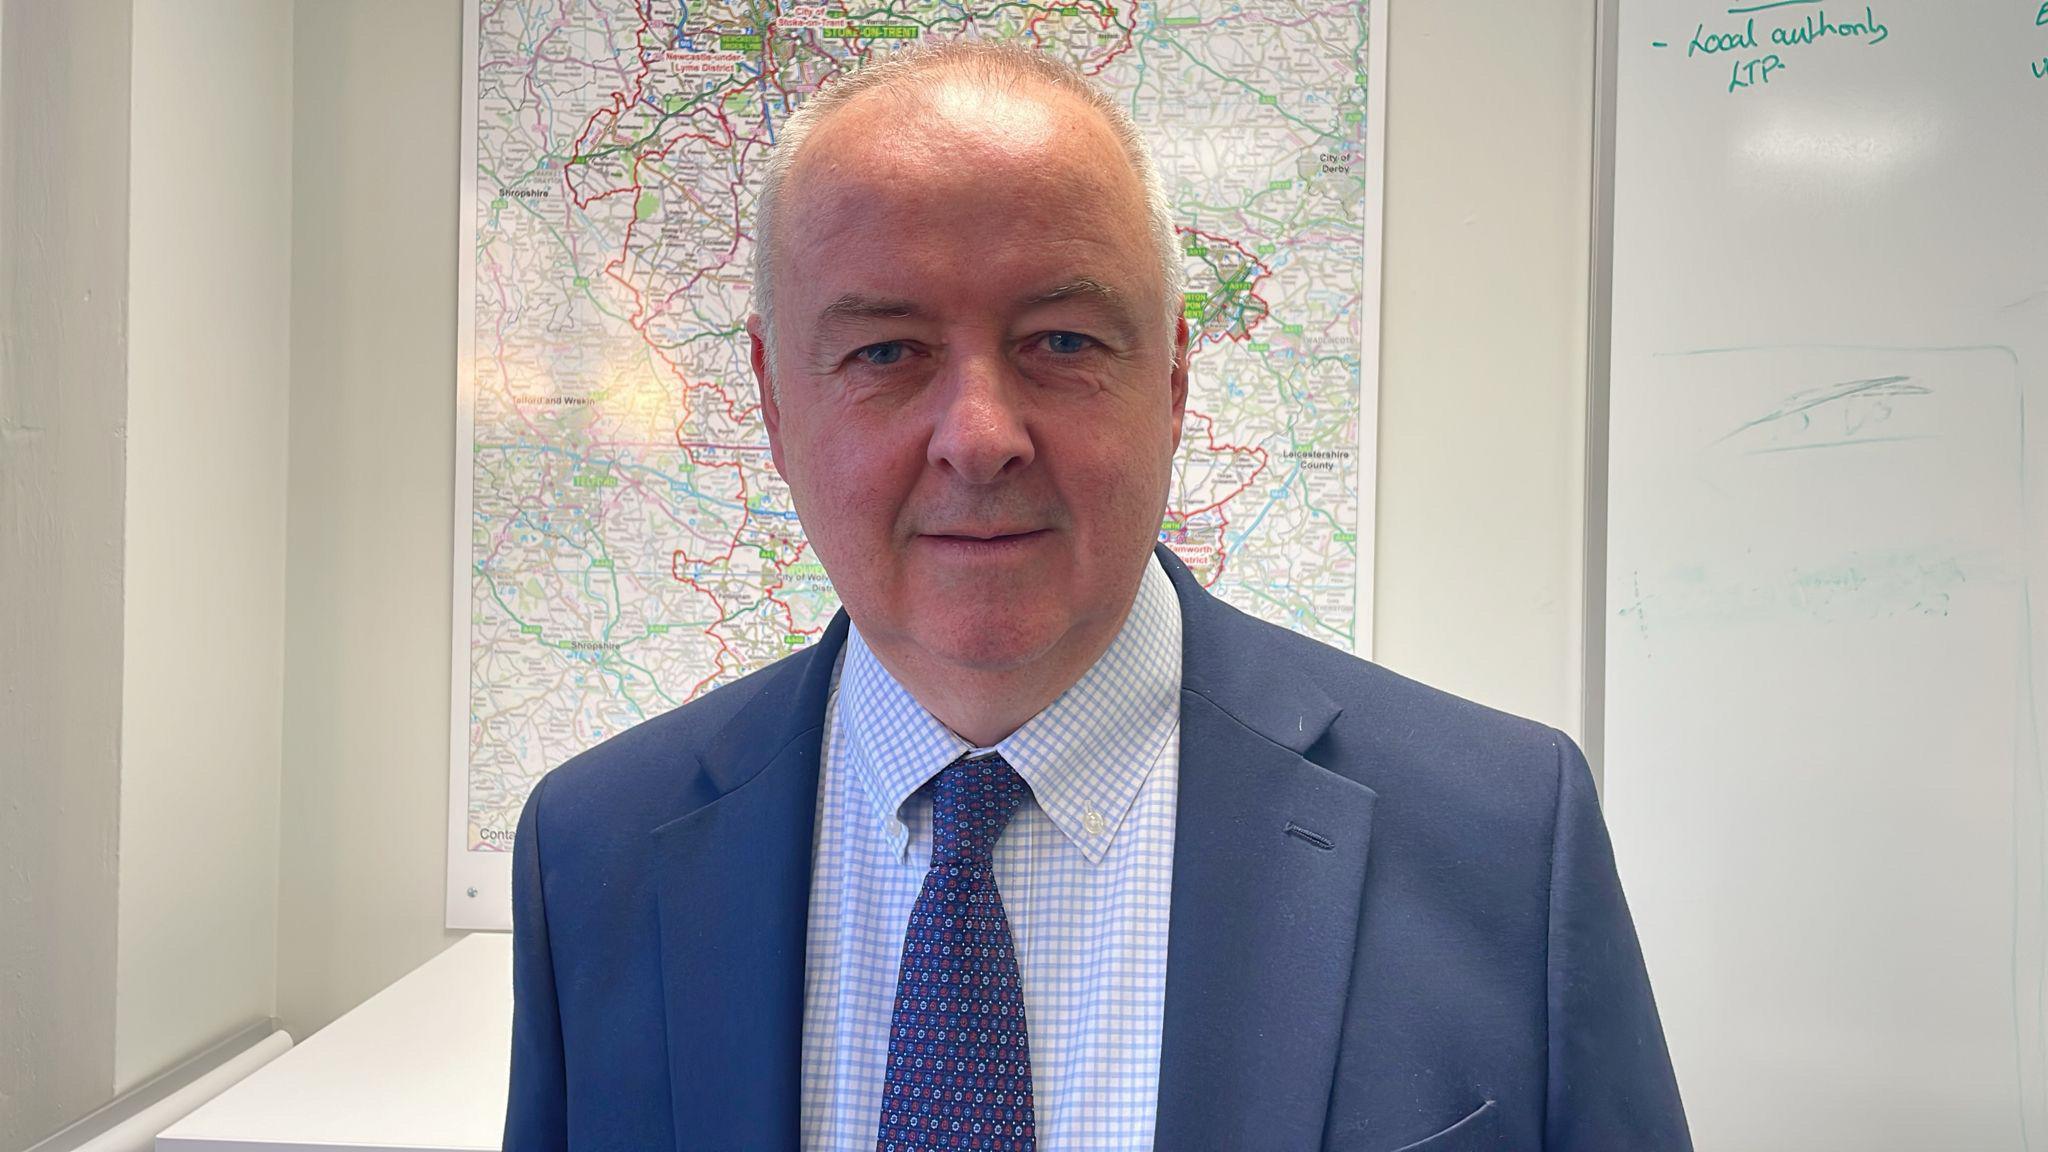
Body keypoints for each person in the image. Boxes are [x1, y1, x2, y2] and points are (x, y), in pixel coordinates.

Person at [503, 41, 1691, 1152]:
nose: (978, 437)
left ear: (1171, 381)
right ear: (770, 400)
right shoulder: (594, 851)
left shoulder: (1499, 836)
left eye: (1061, 341)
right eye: (885, 352)